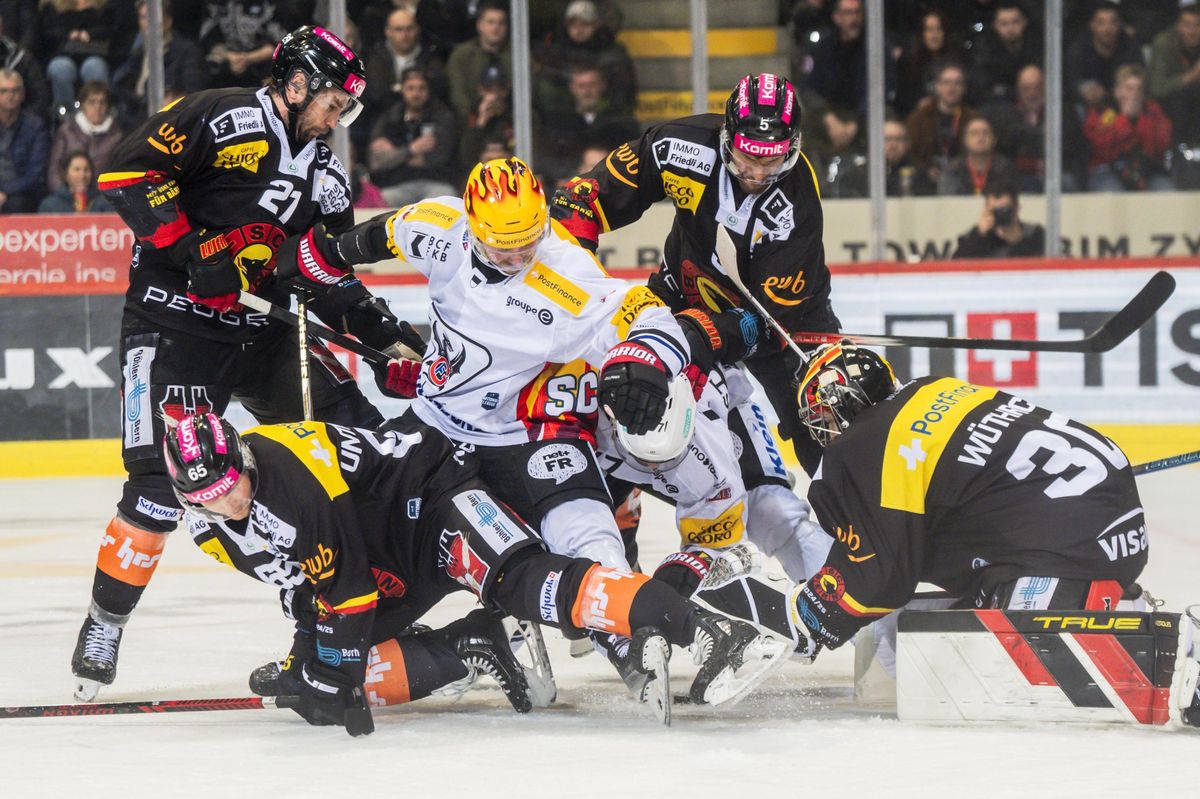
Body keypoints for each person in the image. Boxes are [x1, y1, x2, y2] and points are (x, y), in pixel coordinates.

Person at [69, 26, 422, 703]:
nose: (335, 119)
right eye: (332, 103)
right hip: (173, 323)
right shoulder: (224, 115)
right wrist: (188, 250)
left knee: (360, 443)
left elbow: (327, 272)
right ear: (297, 84)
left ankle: (340, 625)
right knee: (157, 484)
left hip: (260, 332)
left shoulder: (327, 174)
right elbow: (126, 172)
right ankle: (105, 622)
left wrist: (386, 340)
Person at [165, 412, 787, 732]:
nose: (230, 502)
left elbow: (345, 594)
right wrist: (308, 667)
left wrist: (328, 670)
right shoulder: (210, 529)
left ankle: (704, 628)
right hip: (384, 551)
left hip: (434, 495)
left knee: (524, 581)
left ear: (243, 457)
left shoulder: (290, 486)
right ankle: (479, 645)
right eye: (211, 497)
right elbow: (314, 591)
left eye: (232, 483)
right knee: (333, 681)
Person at [785, 340, 1151, 659]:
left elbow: (883, 573)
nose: (823, 431)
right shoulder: (935, 387)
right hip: (1117, 529)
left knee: (1007, 673)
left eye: (822, 418)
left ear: (845, 406)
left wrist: (811, 612)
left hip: (1070, 551)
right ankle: (1120, 603)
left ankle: (1086, 613)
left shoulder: (867, 444)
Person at [550, 72, 835, 475]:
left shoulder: (797, 205)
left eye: (770, 159)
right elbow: (581, 202)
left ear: (792, 146)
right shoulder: (679, 146)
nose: (757, 173)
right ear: (728, 136)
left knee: (829, 420)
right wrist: (575, 280)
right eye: (748, 156)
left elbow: (767, 322)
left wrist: (703, 333)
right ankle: (618, 500)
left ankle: (844, 507)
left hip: (787, 320)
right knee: (626, 387)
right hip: (682, 292)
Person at [367, 67, 458, 207]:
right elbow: (377, 162)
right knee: (380, 199)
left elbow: (441, 156)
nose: (416, 93)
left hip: (436, 183)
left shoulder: (443, 117)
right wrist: (411, 149)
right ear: (402, 90)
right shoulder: (390, 118)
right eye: (411, 88)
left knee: (444, 201)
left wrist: (396, 154)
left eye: (422, 88)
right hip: (398, 185)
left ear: (429, 91)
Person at [110, 0, 206, 124]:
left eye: (153, 16)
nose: (149, 23)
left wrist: (177, 100)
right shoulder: (137, 53)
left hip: (169, 122)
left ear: (168, 21)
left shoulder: (187, 51)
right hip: (137, 123)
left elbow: (194, 93)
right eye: (144, 17)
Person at [1083, 63, 1173, 192]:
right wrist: (1124, 119)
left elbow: (1158, 146)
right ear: (1117, 91)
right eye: (1129, 88)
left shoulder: (1153, 111)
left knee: (1166, 192)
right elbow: (1103, 150)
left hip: (1147, 171)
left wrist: (1139, 119)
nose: (1134, 94)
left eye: (1139, 89)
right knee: (1113, 197)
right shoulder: (1101, 111)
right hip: (1107, 171)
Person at [906, 60, 976, 187]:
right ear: (937, 86)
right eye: (946, 82)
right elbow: (909, 151)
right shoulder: (918, 118)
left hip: (963, 180)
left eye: (957, 83)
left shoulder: (973, 119)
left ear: (964, 88)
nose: (951, 88)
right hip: (925, 180)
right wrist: (926, 170)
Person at [1065, 1, 1143, 111]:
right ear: (1092, 25)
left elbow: (1140, 76)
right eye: (1101, 23)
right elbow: (1071, 84)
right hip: (1087, 107)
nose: (1107, 29)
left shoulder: (1130, 47)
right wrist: (1083, 90)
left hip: (1123, 105)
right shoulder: (1078, 50)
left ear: (1120, 25)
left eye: (1113, 22)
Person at [47, 80, 121, 192]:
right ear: (83, 105)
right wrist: (63, 193)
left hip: (102, 196)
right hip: (67, 195)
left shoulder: (116, 137)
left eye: (102, 102)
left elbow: (118, 173)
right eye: (92, 102)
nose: (97, 107)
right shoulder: (66, 131)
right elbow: (54, 169)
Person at [445, 0, 511, 121]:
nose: (496, 28)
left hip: (510, 119)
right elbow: (458, 97)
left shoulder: (517, 55)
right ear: (479, 25)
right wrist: (475, 118)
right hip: (471, 120)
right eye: (491, 22)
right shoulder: (462, 56)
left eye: (501, 23)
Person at [951, 175, 1045, 258]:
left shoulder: (1035, 234)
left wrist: (1016, 240)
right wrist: (978, 235)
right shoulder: (974, 238)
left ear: (1016, 208)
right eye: (994, 211)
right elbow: (956, 266)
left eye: (1004, 210)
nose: (999, 215)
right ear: (986, 210)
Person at [967, 0, 1040, 106]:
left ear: (1025, 22)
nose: (1010, 29)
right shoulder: (985, 53)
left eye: (1015, 22)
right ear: (995, 25)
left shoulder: (1036, 48)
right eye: (1004, 24)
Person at [0, 68, 46, 212]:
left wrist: (5, 191)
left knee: (17, 204)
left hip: (20, 191)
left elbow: (35, 173)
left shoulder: (35, 126)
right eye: (4, 91)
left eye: (15, 90)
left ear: (23, 94)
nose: (11, 95)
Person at [937, 116, 1019, 196]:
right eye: (974, 133)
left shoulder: (1005, 168)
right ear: (965, 140)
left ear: (994, 140)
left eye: (986, 133)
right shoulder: (953, 169)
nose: (981, 137)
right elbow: (947, 200)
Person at [38, 149, 111, 212]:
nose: (82, 175)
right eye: (77, 169)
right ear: (66, 174)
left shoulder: (104, 203)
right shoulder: (50, 205)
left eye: (86, 169)